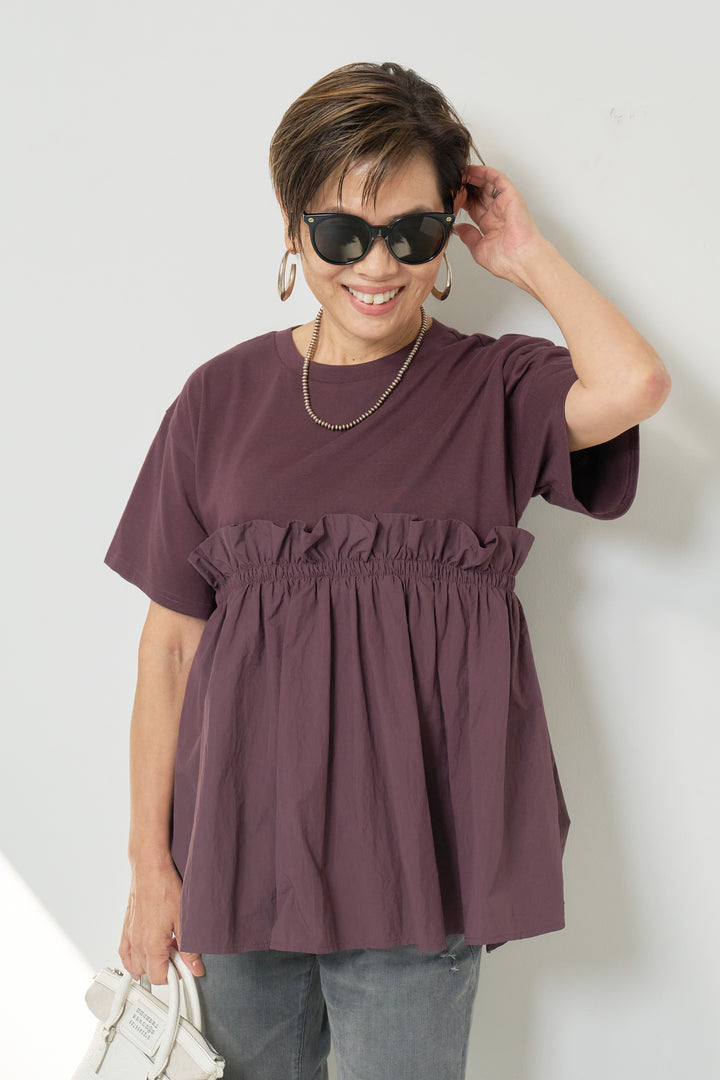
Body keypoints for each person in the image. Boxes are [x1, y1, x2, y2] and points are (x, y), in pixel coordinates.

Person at [104, 61, 670, 1080]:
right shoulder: (218, 401)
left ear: (448, 233)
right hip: (240, 858)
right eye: (342, 232)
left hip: (419, 868)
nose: (379, 264)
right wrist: (151, 864)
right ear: (292, 229)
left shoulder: (494, 388)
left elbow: (633, 383)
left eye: (413, 232)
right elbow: (170, 651)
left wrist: (527, 253)